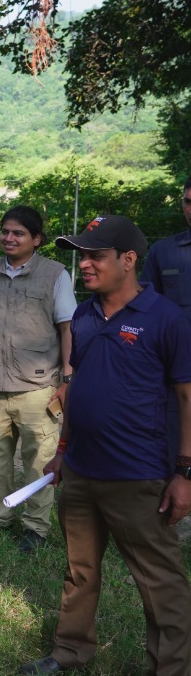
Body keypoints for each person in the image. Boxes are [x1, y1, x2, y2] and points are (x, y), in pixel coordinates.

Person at [19, 215, 191, 676]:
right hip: (82, 473)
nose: (85, 265)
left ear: (129, 260)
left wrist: (185, 472)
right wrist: (62, 452)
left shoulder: (166, 318)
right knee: (79, 572)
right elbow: (78, 390)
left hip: (139, 476)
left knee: (160, 585)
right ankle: (71, 652)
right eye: (81, 255)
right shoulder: (87, 318)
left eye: (95, 256)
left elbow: (187, 399)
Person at [0, 205, 76, 553]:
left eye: (18, 233)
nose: (9, 238)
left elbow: (67, 328)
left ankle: (36, 528)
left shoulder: (55, 275)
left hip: (39, 386)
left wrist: (68, 378)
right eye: (5, 231)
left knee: (39, 459)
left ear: (36, 240)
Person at [142, 175, 191, 461]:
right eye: (187, 202)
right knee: (176, 452)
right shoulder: (163, 251)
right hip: (175, 376)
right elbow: (146, 310)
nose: (190, 208)